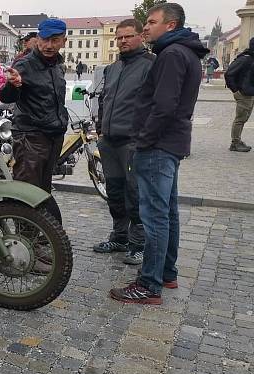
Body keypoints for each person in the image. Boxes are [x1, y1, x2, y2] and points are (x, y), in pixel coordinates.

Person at [110, 3, 208, 305]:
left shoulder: (172, 55)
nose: (146, 27)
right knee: (167, 213)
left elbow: (164, 106)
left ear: (171, 25)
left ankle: (149, 284)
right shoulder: (185, 52)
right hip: (171, 143)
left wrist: (143, 140)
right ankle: (166, 272)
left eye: (151, 22)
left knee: (155, 217)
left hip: (157, 146)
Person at [92, 18, 154, 266]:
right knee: (114, 192)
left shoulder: (151, 65)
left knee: (135, 194)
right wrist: (100, 130)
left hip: (133, 142)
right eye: (119, 37)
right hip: (109, 140)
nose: (123, 41)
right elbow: (105, 100)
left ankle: (138, 244)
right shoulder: (113, 68)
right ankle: (119, 237)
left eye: (128, 36)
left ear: (141, 36)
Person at [0, 18, 69, 226]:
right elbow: (7, 96)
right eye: (45, 40)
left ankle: (43, 237)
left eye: (55, 40)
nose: (49, 45)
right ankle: (25, 241)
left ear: (63, 41)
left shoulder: (58, 65)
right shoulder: (25, 64)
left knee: (43, 190)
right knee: (27, 193)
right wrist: (14, 84)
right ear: (38, 39)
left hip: (53, 136)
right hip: (30, 137)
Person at [225, 37, 254, 152]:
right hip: (243, 93)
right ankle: (235, 143)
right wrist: (235, 90)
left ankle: (237, 140)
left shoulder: (251, 58)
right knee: (240, 119)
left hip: (250, 93)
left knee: (244, 118)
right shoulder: (245, 59)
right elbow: (229, 74)